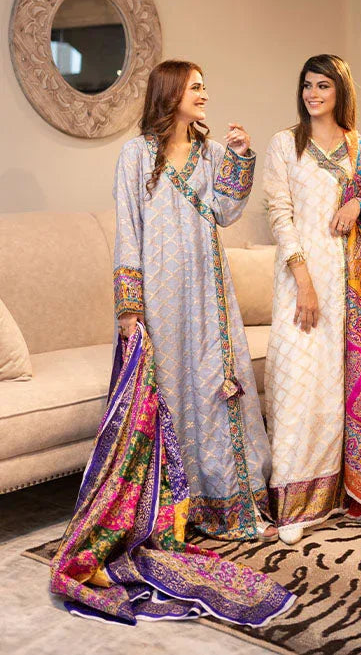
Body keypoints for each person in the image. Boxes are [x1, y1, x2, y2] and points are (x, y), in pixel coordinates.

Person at [112, 59, 276, 542]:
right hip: (160, 293)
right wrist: (129, 305)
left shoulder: (212, 153)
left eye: (204, 86)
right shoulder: (135, 155)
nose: (204, 95)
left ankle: (226, 501)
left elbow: (225, 212)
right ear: (170, 94)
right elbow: (128, 229)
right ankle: (172, 506)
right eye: (195, 88)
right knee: (170, 389)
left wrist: (240, 158)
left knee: (214, 385)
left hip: (208, 289)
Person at [263, 54, 361, 545]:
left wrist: (360, 203)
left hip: (351, 288)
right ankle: (290, 503)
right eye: (307, 85)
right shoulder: (286, 143)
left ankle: (333, 497)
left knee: (334, 391)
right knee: (295, 387)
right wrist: (302, 280)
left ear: (340, 90)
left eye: (323, 85)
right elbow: (279, 214)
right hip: (300, 282)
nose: (313, 94)